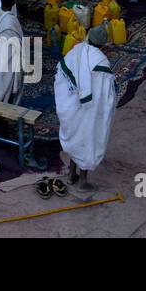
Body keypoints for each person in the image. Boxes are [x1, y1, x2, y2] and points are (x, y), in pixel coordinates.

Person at [55, 35, 117, 191]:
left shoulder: (74, 52)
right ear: (103, 46)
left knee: (77, 140)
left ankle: (71, 175)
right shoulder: (101, 61)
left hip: (73, 107)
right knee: (88, 141)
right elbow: (103, 93)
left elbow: (60, 76)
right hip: (90, 110)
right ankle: (82, 182)